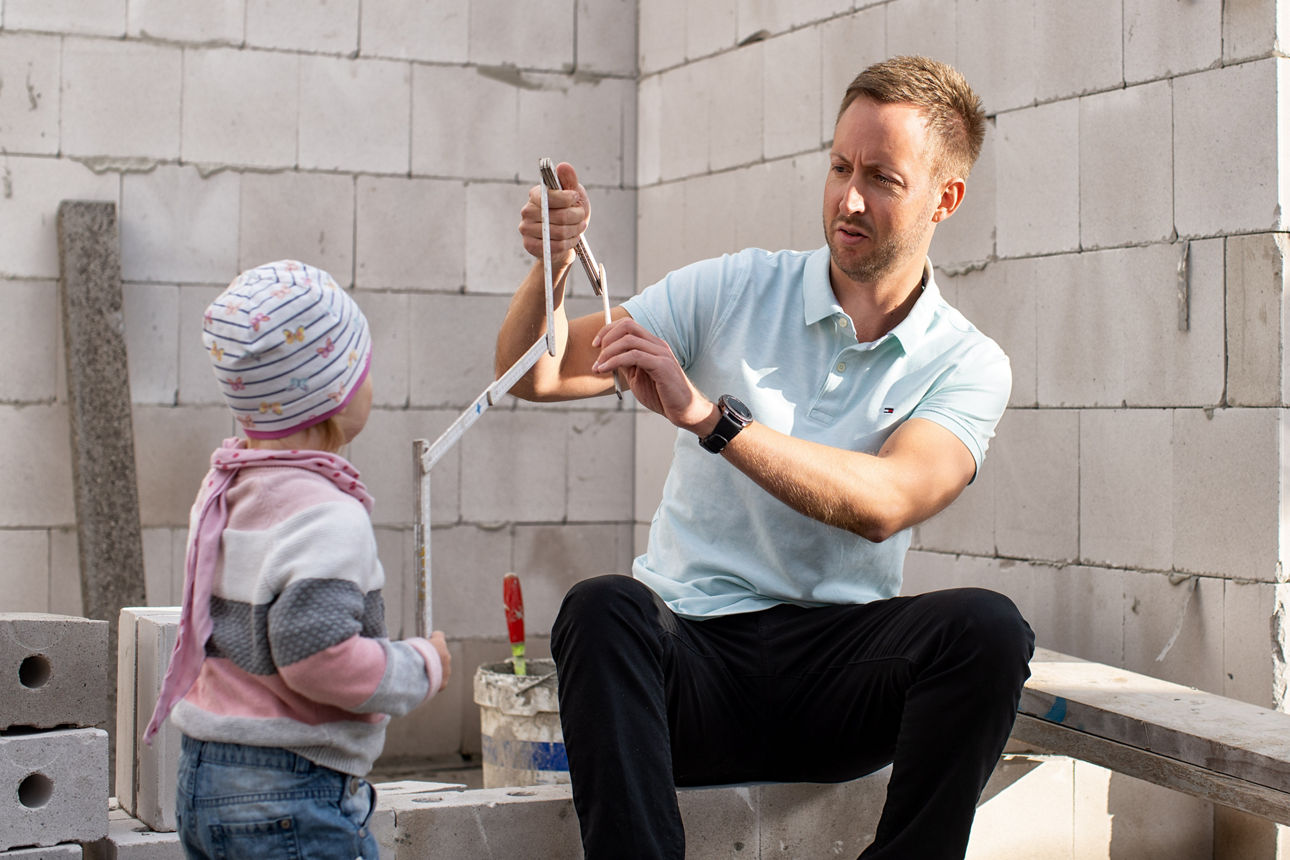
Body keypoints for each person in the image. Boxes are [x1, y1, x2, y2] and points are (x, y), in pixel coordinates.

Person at [496, 55, 1036, 859]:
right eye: (840, 167)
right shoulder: (735, 289)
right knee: (602, 609)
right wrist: (554, 263)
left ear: (944, 198)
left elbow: (886, 501)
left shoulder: (968, 362)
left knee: (988, 630)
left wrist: (711, 419)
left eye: (882, 178)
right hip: (694, 668)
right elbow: (534, 374)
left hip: (838, 685)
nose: (849, 199)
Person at [145, 260, 452, 860]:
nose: (370, 382)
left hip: (204, 777)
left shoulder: (228, 489)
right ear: (334, 395)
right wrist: (420, 666)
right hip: (289, 790)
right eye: (363, 367)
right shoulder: (326, 515)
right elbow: (316, 659)